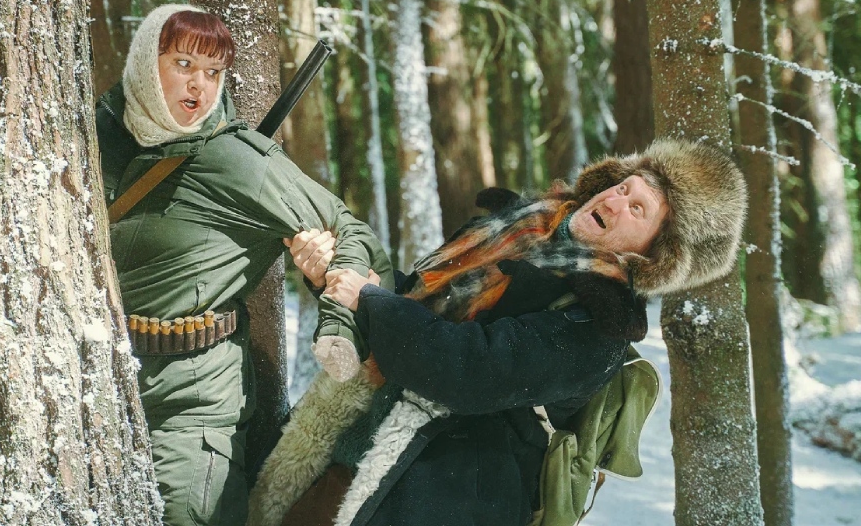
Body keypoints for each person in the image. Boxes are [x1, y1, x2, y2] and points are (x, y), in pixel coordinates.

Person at [248, 139, 748, 526]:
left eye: (638, 210)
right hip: (349, 459)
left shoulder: (599, 325)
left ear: (654, 255)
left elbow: (466, 368)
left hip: (438, 502)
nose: (617, 202)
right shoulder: (512, 230)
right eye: (624, 188)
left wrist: (369, 299)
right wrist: (336, 279)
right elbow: (415, 303)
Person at [95, 4, 393, 526]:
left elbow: (355, 236)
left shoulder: (236, 160)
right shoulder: (95, 136)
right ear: (144, 62)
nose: (200, 85)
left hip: (191, 413)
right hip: (100, 391)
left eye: (214, 72)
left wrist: (330, 297)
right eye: (184, 64)